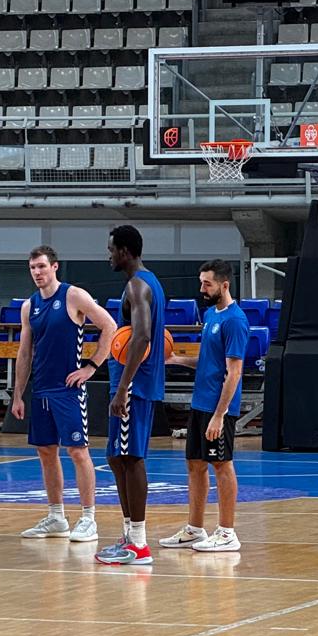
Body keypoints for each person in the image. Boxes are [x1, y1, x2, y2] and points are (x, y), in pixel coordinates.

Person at [10, 245, 117, 544]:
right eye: (33, 268)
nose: (37, 273)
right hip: (41, 389)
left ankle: (88, 518)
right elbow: (24, 351)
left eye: (42, 267)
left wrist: (92, 366)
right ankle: (57, 517)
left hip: (68, 389)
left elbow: (110, 325)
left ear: (55, 267)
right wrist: (18, 394)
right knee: (46, 452)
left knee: (78, 451)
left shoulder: (73, 296)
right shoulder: (29, 306)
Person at [162, 259, 249, 553]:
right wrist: (176, 361)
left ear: (224, 284)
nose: (202, 288)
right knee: (194, 465)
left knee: (222, 465)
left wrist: (220, 415)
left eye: (207, 283)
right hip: (200, 403)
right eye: (201, 282)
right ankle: (195, 529)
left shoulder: (235, 320)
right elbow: (208, 362)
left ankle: (227, 533)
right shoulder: (211, 314)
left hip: (218, 409)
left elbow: (234, 371)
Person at [93, 224, 167, 567]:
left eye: (110, 249)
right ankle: (129, 535)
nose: (108, 255)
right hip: (133, 381)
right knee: (117, 457)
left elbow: (141, 337)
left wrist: (123, 387)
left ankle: (138, 543)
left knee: (131, 457)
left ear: (124, 251)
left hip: (133, 383)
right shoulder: (147, 281)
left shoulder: (138, 285)